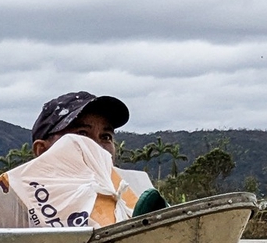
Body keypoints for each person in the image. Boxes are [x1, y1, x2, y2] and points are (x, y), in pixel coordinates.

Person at [28, 89, 167, 216]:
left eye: (105, 137)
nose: (97, 147)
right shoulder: (22, 207)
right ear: (42, 150)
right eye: (82, 135)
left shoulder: (135, 197)